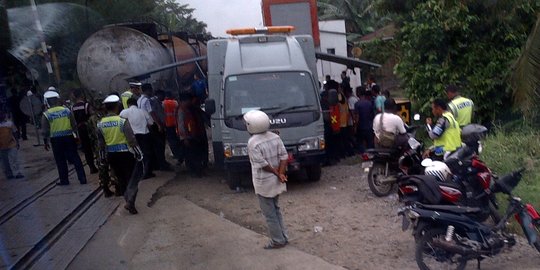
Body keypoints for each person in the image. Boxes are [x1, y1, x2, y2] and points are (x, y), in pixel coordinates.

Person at [244, 110, 289, 249]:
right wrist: (280, 174)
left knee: (269, 214)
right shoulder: (275, 137)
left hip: (263, 182)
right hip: (276, 182)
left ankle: (277, 240)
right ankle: (283, 236)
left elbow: (262, 165)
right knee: (276, 209)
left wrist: (277, 173)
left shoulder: (253, 142)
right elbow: (284, 157)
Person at [97, 95, 143, 214]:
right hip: (126, 154)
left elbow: (101, 144)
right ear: (117, 106)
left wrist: (102, 158)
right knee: (133, 177)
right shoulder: (122, 121)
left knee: (121, 179)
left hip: (112, 155)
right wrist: (139, 153)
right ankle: (130, 201)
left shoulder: (100, 124)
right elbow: (131, 139)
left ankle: (128, 199)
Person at [41, 90, 87, 185]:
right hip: (69, 137)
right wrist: (76, 136)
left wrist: (45, 142)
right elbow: (74, 125)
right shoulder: (66, 110)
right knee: (75, 158)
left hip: (56, 140)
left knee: (60, 160)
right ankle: (82, 178)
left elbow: (45, 130)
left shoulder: (46, 114)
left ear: (47, 102)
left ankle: (64, 180)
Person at [120, 97, 155, 179]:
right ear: (136, 104)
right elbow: (151, 123)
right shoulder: (143, 111)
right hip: (145, 134)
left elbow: (121, 123)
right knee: (146, 154)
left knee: (136, 154)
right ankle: (147, 172)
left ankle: (139, 173)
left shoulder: (124, 112)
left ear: (128, 104)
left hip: (133, 136)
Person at [87, 97, 115, 197]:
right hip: (108, 144)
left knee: (102, 167)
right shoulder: (106, 117)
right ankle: (116, 186)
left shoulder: (91, 119)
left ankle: (105, 188)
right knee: (112, 166)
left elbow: (90, 135)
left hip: (98, 147)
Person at [177, 92, 206, 177]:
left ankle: (197, 171)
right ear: (184, 101)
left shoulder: (187, 109)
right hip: (187, 137)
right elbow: (181, 125)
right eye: (188, 101)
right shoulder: (181, 111)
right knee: (191, 156)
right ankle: (194, 172)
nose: (190, 102)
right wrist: (184, 138)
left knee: (194, 154)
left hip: (191, 135)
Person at [71, 88, 98, 174]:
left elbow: (73, 120)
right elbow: (93, 116)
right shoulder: (86, 105)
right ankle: (99, 164)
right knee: (95, 147)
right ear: (82, 95)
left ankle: (91, 167)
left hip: (80, 130)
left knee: (87, 149)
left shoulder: (72, 107)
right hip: (89, 129)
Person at [150, 89, 171, 170]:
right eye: (163, 95)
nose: (164, 97)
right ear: (159, 95)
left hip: (161, 125)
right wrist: (159, 124)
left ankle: (162, 162)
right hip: (157, 126)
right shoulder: (154, 101)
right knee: (159, 145)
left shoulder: (157, 101)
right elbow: (153, 113)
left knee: (161, 145)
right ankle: (162, 164)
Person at [0, 112, 24, 179]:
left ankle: (17, 173)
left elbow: (15, 132)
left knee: (14, 159)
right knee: (5, 161)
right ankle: (9, 174)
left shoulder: (9, 123)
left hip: (11, 144)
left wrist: (17, 142)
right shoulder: (10, 123)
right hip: (2, 146)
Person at [163, 91, 182, 163]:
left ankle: (176, 154)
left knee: (171, 140)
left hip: (168, 124)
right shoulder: (175, 102)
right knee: (178, 139)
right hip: (176, 123)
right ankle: (180, 153)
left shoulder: (163, 103)